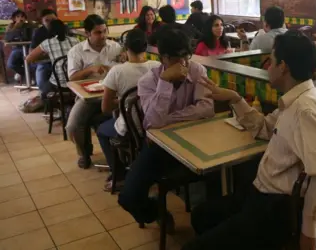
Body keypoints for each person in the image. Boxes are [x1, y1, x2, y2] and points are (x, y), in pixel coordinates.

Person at [182, 30, 316, 250]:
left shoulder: (306, 110)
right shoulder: (294, 99)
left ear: (284, 67)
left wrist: (309, 232)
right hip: (259, 193)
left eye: (272, 62)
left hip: (275, 208)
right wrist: (235, 98)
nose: (268, 67)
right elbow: (265, 128)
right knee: (202, 215)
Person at [118, 26, 215, 232]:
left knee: (219, 176)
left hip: (195, 142)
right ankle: (156, 212)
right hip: (158, 148)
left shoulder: (197, 70)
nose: (184, 64)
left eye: (187, 56)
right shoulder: (148, 82)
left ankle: (210, 228)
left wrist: (169, 119)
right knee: (128, 197)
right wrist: (165, 82)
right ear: (163, 58)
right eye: (177, 58)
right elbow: (153, 121)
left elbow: (207, 109)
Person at [96, 29, 161, 191]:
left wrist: (125, 102)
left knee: (101, 130)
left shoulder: (117, 71)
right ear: (146, 46)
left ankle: (118, 176)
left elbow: (105, 107)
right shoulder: (157, 66)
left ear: (125, 48)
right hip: (156, 124)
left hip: (131, 128)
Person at [66, 14, 123, 169]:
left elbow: (123, 67)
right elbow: (72, 78)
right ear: (87, 34)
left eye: (105, 31)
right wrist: (90, 69)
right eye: (98, 32)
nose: (103, 35)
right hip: (89, 98)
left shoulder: (115, 47)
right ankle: (84, 153)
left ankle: (121, 157)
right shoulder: (76, 51)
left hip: (113, 96)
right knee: (72, 126)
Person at [26, 19, 79, 96]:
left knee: (43, 91)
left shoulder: (47, 42)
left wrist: (45, 54)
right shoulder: (76, 41)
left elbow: (28, 59)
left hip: (58, 84)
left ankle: (48, 103)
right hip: (76, 80)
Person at [30, 9, 65, 98]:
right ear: (42, 22)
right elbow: (31, 53)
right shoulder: (39, 32)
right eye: (47, 20)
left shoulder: (64, 29)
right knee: (41, 81)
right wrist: (48, 53)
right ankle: (48, 99)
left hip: (64, 61)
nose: (50, 23)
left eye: (53, 20)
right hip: (45, 62)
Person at [5, 9, 34, 83]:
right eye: (18, 16)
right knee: (10, 64)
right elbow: (7, 39)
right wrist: (15, 27)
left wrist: (31, 25)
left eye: (22, 17)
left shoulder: (29, 25)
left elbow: (34, 37)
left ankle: (28, 75)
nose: (20, 18)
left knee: (33, 63)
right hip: (17, 49)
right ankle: (26, 74)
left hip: (29, 48)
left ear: (25, 18)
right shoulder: (11, 26)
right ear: (14, 18)